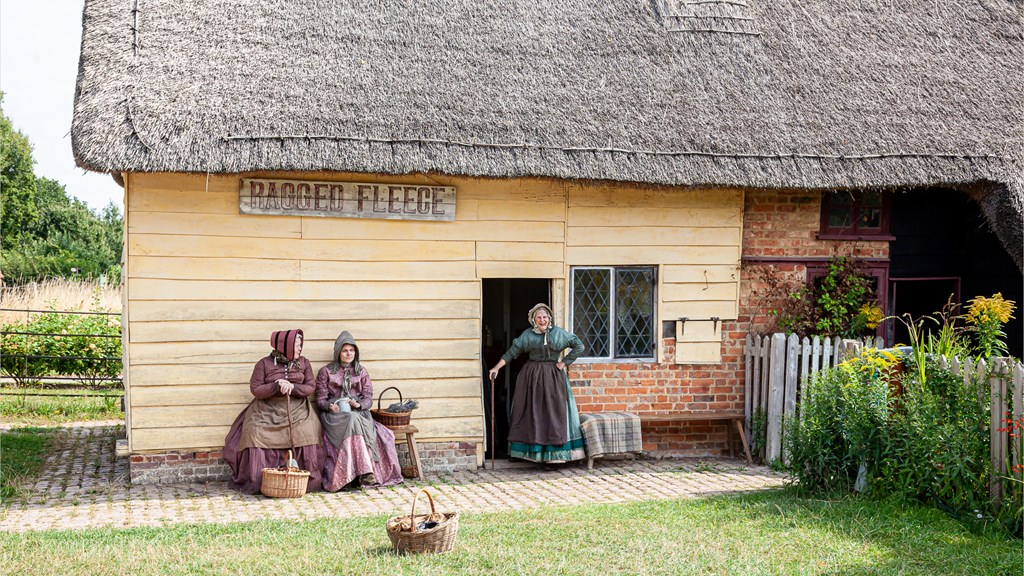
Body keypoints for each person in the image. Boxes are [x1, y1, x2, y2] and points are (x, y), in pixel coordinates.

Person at [223, 329, 324, 494]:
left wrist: (293, 386)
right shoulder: (264, 363)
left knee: (308, 430)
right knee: (254, 431)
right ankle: (258, 480)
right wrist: (275, 385)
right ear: (285, 346)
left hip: (297, 408)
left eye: (300, 345)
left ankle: (305, 480)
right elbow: (255, 389)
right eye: (297, 346)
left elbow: (310, 387)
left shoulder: (304, 362)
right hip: (266, 408)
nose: (300, 349)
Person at [488, 303, 586, 464]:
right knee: (529, 411)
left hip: (553, 377)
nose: (542, 320)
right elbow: (512, 353)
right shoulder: (528, 335)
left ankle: (554, 457)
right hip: (531, 377)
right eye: (539, 317)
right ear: (534, 320)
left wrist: (564, 363)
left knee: (554, 412)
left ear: (549, 318)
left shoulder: (558, 333)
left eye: (545, 317)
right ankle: (530, 453)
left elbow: (579, 346)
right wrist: (496, 367)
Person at [316, 330, 403, 491]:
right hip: (335, 416)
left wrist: (358, 404)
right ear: (338, 352)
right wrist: (330, 406)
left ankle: (363, 471)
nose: (349, 353)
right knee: (351, 419)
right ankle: (365, 471)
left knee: (379, 431)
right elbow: (320, 399)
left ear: (355, 352)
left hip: (358, 413)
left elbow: (368, 398)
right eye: (345, 350)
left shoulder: (361, 371)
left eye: (352, 350)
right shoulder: (326, 372)